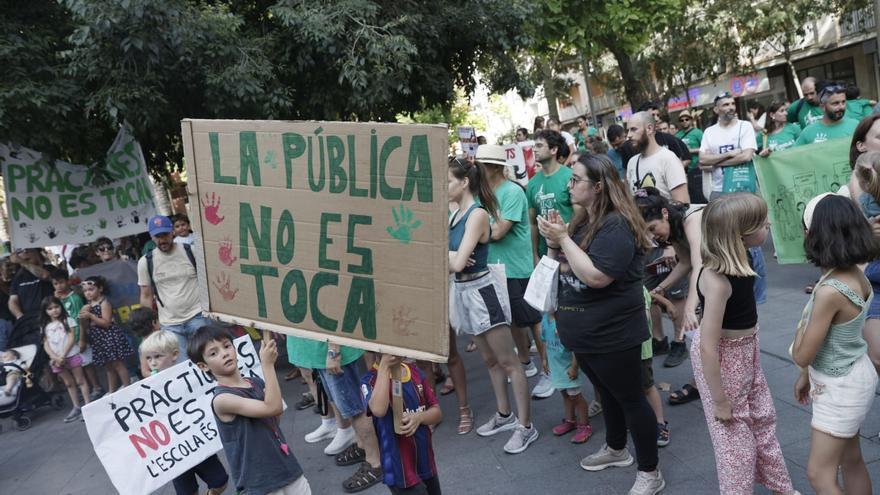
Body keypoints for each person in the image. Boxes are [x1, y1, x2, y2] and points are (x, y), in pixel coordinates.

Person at [538, 154, 664, 494]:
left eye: (575, 179)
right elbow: (561, 267)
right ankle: (616, 448)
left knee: (631, 398)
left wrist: (562, 240)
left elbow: (595, 276)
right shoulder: (582, 220)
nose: (569, 184)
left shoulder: (616, 224)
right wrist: (554, 241)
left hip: (614, 332)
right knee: (606, 392)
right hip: (583, 330)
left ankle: (650, 473)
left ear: (597, 186)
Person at [691, 193, 796, 495]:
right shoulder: (717, 280)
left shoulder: (744, 257)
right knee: (735, 445)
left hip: (746, 350)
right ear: (739, 234)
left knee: (763, 419)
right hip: (724, 360)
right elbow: (707, 348)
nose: (768, 226)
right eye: (762, 224)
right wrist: (720, 400)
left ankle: (782, 488)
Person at [448, 156, 538, 454]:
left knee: (509, 362)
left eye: (448, 180)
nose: (443, 186)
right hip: (464, 290)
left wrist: (451, 257)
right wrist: (452, 257)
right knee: (489, 360)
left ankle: (525, 427)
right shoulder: (454, 214)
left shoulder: (476, 214)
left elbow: (458, 260)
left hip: (482, 290)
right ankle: (504, 414)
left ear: (463, 182)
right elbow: (450, 257)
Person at [792, 194, 877, 495]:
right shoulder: (857, 274)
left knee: (819, 475)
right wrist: (806, 376)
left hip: (840, 386)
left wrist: (802, 330)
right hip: (853, 372)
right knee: (851, 459)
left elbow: (803, 352)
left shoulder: (830, 291)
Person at [189, 325, 311, 495]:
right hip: (259, 483)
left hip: (287, 468)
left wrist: (271, 400)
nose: (224, 353)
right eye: (213, 353)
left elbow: (275, 416)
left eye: (226, 346)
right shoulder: (222, 400)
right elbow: (273, 407)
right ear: (203, 366)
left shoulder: (255, 382)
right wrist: (267, 365)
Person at [479, 145, 543, 383]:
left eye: (481, 164)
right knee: (512, 320)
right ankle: (526, 363)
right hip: (494, 269)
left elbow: (498, 232)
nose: (477, 168)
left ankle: (548, 371)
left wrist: (476, 230)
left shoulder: (512, 192)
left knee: (533, 320)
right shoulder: (480, 194)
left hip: (516, 267)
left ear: (492, 167)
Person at [286, 336, 384, 492]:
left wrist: (334, 350)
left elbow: (333, 312)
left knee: (355, 409)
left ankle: (376, 463)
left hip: (330, 352)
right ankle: (362, 446)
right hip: (320, 353)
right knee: (347, 406)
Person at [141, 330, 229, 494]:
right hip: (174, 452)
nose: (152, 363)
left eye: (157, 357)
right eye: (148, 358)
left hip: (196, 442)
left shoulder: (190, 377)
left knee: (220, 481)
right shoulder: (147, 388)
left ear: (174, 355)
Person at [362, 354, 443, 495]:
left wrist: (420, 417)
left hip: (425, 461)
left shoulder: (415, 372)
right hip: (400, 469)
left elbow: (437, 412)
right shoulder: (369, 380)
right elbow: (378, 410)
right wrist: (384, 367)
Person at [138, 215, 210, 359]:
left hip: (198, 315)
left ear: (172, 232)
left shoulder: (192, 251)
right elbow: (145, 295)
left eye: (164, 234)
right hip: (169, 324)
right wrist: (147, 330)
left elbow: (209, 280)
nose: (162, 239)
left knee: (208, 357)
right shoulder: (146, 262)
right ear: (152, 237)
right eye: (157, 236)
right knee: (183, 367)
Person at [51, 268, 102, 399]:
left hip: (78, 336)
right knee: (77, 365)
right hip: (67, 339)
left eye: (61, 282)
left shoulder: (74, 298)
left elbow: (80, 319)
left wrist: (82, 339)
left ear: (68, 282)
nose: (59, 286)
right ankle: (87, 389)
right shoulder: (57, 300)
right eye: (55, 284)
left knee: (86, 364)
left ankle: (96, 387)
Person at [79, 276, 133, 393]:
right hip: (98, 339)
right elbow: (85, 325)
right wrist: (82, 316)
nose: (88, 293)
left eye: (91, 289)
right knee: (108, 366)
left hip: (109, 336)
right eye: (85, 291)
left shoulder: (104, 302)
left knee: (118, 364)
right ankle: (111, 391)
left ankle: (128, 388)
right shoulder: (88, 305)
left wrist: (91, 316)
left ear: (100, 289)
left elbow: (106, 323)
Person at [41, 295, 90, 422]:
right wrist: (54, 357)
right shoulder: (45, 326)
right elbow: (46, 343)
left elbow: (71, 337)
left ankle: (88, 405)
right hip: (56, 360)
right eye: (50, 308)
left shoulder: (68, 320)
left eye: (56, 307)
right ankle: (76, 407)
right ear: (45, 311)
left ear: (61, 307)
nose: (54, 310)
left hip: (71, 354)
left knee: (80, 380)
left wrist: (63, 355)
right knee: (68, 383)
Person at [625, 111, 689, 203]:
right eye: (628, 130)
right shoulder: (632, 162)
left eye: (633, 129)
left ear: (649, 129)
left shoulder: (669, 159)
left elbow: (682, 205)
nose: (628, 135)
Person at [9, 248, 54, 345]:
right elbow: (12, 301)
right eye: (20, 252)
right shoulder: (18, 277)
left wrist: (22, 261)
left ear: (37, 254)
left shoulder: (49, 268)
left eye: (27, 250)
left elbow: (44, 275)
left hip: (49, 317)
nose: (24, 253)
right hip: (29, 322)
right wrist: (20, 316)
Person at [675, 110, 705, 203]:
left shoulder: (698, 132)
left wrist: (690, 151)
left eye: (687, 119)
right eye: (682, 120)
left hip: (696, 167)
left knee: (699, 194)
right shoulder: (677, 135)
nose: (684, 121)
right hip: (683, 169)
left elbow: (705, 148)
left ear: (691, 120)